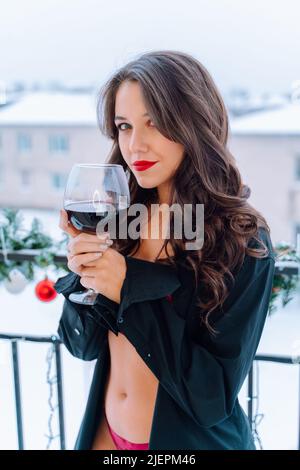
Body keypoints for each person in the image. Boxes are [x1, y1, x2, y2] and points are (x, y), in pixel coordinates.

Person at [54, 50, 276, 450]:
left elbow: (210, 397)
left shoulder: (241, 240)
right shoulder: (121, 219)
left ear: (194, 122)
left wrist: (128, 287)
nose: (135, 145)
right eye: (123, 126)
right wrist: (84, 273)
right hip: (105, 438)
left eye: (154, 123)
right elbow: (80, 345)